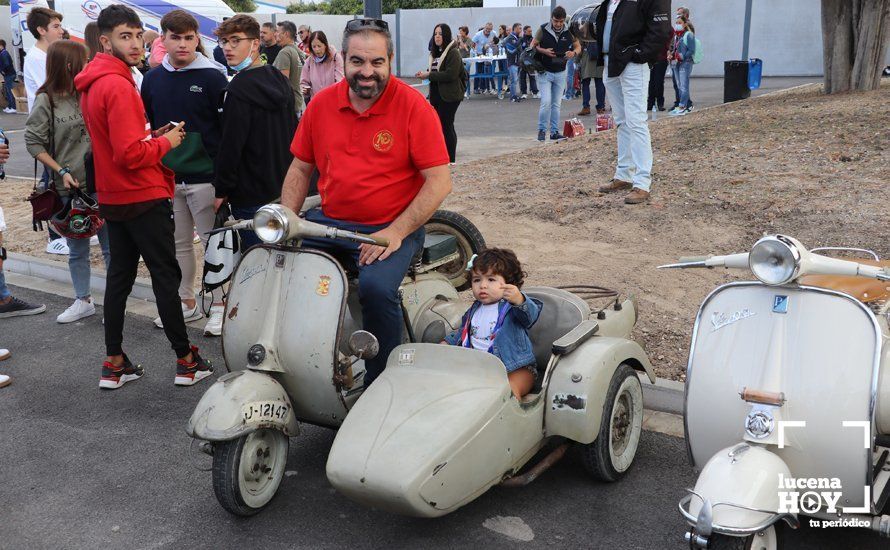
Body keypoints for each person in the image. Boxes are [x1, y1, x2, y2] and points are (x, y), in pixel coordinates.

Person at [281, 18, 452, 388]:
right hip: (331, 222)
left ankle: (383, 381)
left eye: (377, 62)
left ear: (390, 60)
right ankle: (305, 361)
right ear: (344, 60)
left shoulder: (413, 107)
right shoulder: (321, 105)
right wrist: (286, 219)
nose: (367, 72)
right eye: (358, 61)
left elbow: (439, 182)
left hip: (390, 227)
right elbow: (299, 168)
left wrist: (396, 231)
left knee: (375, 290)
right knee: (283, 268)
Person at [75, 4, 214, 389]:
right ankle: (186, 360)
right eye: (125, 36)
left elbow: (118, 146)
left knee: (119, 277)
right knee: (165, 276)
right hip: (141, 194)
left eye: (138, 34)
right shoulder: (117, 84)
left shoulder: (96, 81)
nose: (136, 43)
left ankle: (114, 361)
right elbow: (130, 154)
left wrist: (152, 137)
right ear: (105, 41)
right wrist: (165, 142)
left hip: (114, 195)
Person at [141, 9, 230, 336]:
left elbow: (225, 133)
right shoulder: (151, 79)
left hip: (206, 178)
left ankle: (220, 305)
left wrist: (223, 183)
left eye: (188, 37)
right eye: (175, 37)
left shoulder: (213, 76)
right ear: (162, 38)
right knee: (178, 245)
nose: (182, 44)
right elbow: (152, 129)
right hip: (167, 179)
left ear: (197, 39)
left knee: (213, 244)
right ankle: (187, 302)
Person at [25, 41, 110, 324]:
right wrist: (60, 170)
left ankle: (115, 300)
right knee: (77, 248)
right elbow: (33, 142)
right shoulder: (46, 99)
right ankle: (83, 299)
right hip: (70, 187)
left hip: (103, 181)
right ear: (69, 64)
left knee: (113, 246)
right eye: (83, 60)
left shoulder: (89, 91)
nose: (88, 64)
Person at [214, 15, 295, 250]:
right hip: (284, 188)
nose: (228, 48)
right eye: (224, 41)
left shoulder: (237, 90)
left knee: (257, 267)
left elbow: (231, 146)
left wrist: (222, 190)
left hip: (250, 195)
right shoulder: (279, 79)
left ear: (255, 44)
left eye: (235, 41)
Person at [596, 0, 671, 205]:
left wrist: (640, 55)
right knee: (622, 121)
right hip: (611, 63)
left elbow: (661, 30)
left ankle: (642, 182)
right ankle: (624, 174)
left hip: (632, 64)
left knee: (636, 121)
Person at [444, 249, 541, 399]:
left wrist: (519, 300)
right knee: (452, 387)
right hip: (480, 367)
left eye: (491, 280)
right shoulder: (474, 309)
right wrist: (446, 342)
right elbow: (463, 332)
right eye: (477, 280)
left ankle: (510, 417)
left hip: (515, 368)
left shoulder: (511, 307)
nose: (482, 285)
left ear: (509, 284)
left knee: (508, 391)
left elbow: (530, 317)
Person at [24, 7, 69, 256]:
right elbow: (52, 89)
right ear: (41, 31)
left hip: (58, 124)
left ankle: (67, 228)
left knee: (60, 177)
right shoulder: (37, 58)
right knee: (50, 180)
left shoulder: (49, 54)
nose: (61, 31)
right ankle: (54, 235)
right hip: (47, 127)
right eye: (55, 27)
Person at [416, 24, 465, 164]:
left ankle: (451, 160)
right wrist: (425, 74)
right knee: (439, 126)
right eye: (435, 33)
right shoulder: (435, 53)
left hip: (450, 96)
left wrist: (429, 75)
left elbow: (451, 74)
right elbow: (435, 72)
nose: (437, 36)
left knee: (447, 125)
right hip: (437, 95)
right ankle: (442, 157)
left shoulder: (453, 52)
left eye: (440, 34)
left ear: (447, 35)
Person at [531, 6, 581, 142]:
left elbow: (578, 46)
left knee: (556, 104)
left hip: (561, 72)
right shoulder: (543, 29)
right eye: (555, 21)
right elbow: (533, 45)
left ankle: (554, 132)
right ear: (551, 19)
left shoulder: (569, 31)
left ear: (564, 20)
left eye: (561, 21)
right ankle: (541, 130)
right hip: (545, 72)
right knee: (546, 102)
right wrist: (544, 51)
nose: (558, 24)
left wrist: (573, 53)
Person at [299, 30, 344, 101]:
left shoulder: (335, 58)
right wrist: (305, 89)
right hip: (316, 102)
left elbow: (340, 82)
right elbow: (304, 82)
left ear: (325, 45)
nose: (317, 50)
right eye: (314, 46)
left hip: (332, 101)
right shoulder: (309, 61)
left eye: (319, 46)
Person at [274, 21, 305, 117]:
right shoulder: (297, 51)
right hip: (297, 102)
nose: (275, 34)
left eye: (278, 31)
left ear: (286, 34)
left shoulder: (285, 52)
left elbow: (283, 83)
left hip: (288, 106)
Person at [668, 15, 695, 116]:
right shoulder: (676, 36)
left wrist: (681, 56)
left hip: (685, 63)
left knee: (684, 85)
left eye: (680, 23)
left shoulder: (689, 35)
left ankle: (683, 106)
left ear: (684, 24)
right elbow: (672, 48)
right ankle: (682, 105)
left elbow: (692, 50)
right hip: (676, 63)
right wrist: (670, 54)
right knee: (679, 85)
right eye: (676, 23)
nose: (677, 25)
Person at [578, 40, 606, 115]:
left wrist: (577, 60)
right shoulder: (601, 28)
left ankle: (586, 107)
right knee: (600, 84)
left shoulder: (584, 29)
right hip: (599, 58)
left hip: (587, 57)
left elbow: (579, 47)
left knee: (585, 84)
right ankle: (601, 107)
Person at [472, 22, 497, 94]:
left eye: (490, 29)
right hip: (480, 55)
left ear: (492, 29)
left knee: (486, 72)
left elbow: (496, 41)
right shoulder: (478, 34)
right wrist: (475, 52)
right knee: (478, 72)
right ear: (484, 27)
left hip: (489, 56)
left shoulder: (493, 33)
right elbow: (472, 43)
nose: (488, 30)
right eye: (487, 29)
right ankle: (476, 88)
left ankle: (484, 88)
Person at [502, 23, 523, 103]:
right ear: (514, 29)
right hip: (512, 62)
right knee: (513, 80)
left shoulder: (516, 38)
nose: (520, 30)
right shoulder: (510, 38)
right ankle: (513, 97)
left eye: (521, 28)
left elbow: (520, 50)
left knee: (515, 80)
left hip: (517, 62)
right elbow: (511, 51)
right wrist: (519, 44)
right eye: (519, 28)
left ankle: (514, 95)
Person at [519, 26, 539, 99]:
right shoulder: (521, 40)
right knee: (522, 77)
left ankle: (534, 92)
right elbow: (520, 50)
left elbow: (535, 49)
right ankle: (524, 93)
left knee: (532, 77)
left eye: (531, 31)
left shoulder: (533, 39)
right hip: (522, 62)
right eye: (529, 31)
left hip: (530, 62)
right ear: (524, 31)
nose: (531, 32)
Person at [0, 41, 17, 114]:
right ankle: (10, 106)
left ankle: (13, 107)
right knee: (8, 91)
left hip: (9, 74)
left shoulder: (4, 53)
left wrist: (3, 70)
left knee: (10, 91)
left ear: (1, 45)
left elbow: (6, 64)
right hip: (9, 74)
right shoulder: (3, 53)